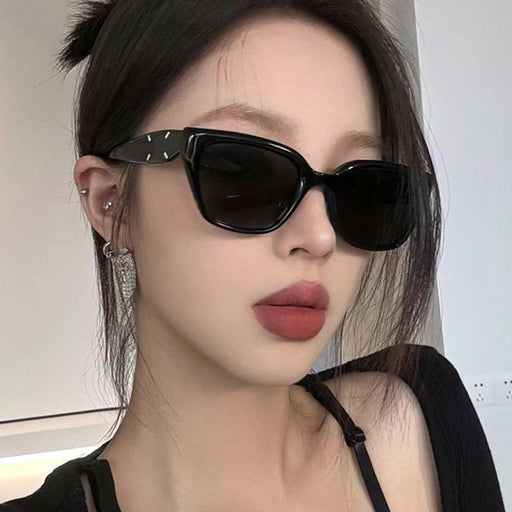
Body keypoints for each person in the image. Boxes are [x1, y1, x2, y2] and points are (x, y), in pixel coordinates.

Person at [2, 0, 505, 511]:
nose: (320, 237)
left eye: (364, 189)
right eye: (244, 173)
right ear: (112, 202)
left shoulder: (425, 412)